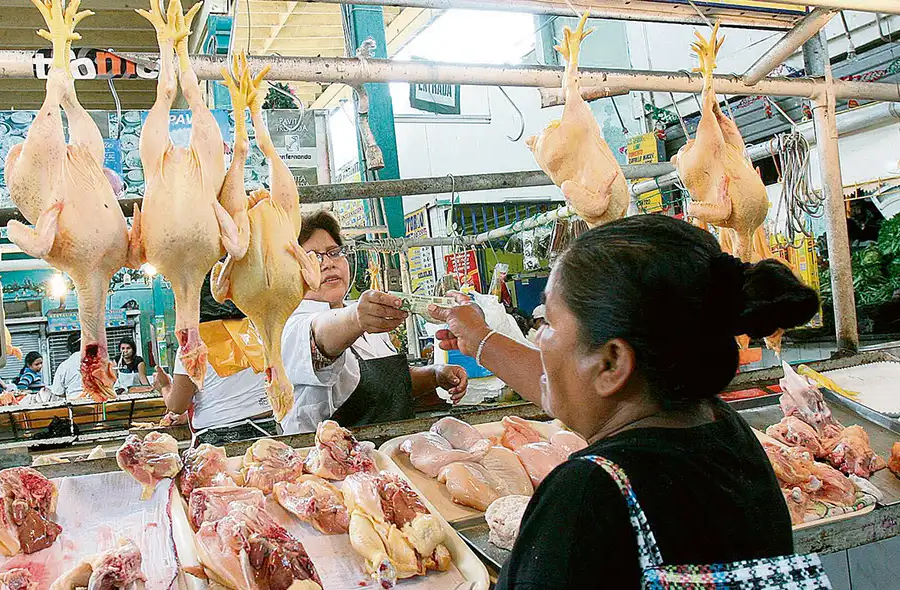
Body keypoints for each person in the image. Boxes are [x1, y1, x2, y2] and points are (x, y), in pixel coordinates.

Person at [430, 215, 820, 588]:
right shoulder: (723, 430)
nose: (538, 337)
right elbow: (571, 386)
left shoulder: (588, 494)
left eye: (546, 322)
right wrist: (480, 340)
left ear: (613, 362)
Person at [280, 210, 468, 435]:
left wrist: (435, 375)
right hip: (330, 461)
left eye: (334, 252)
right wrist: (357, 318)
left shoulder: (367, 321)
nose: (328, 264)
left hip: (387, 454)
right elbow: (320, 335)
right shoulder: (292, 327)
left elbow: (384, 386)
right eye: (312, 257)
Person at [156, 275, 274, 446]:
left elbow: (177, 405)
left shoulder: (192, 345)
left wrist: (164, 386)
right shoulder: (253, 330)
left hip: (219, 437)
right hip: (267, 429)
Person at [51, 333, 84, 401]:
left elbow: (57, 392)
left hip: (74, 404)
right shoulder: (96, 363)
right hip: (96, 403)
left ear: (69, 349)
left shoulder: (64, 366)